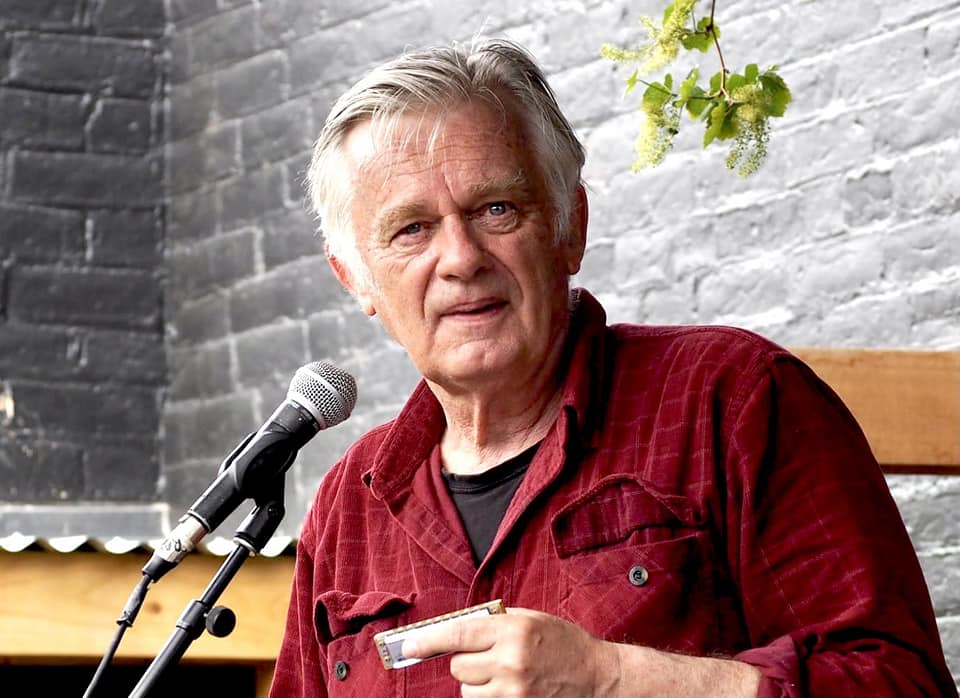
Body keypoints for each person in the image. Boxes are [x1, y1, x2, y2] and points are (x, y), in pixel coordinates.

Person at [270, 37, 957, 697]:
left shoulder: (736, 399)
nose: (461, 257)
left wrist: (615, 680)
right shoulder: (346, 509)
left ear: (571, 224)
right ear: (354, 278)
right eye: (411, 229)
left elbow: (902, 684)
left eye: (496, 208)